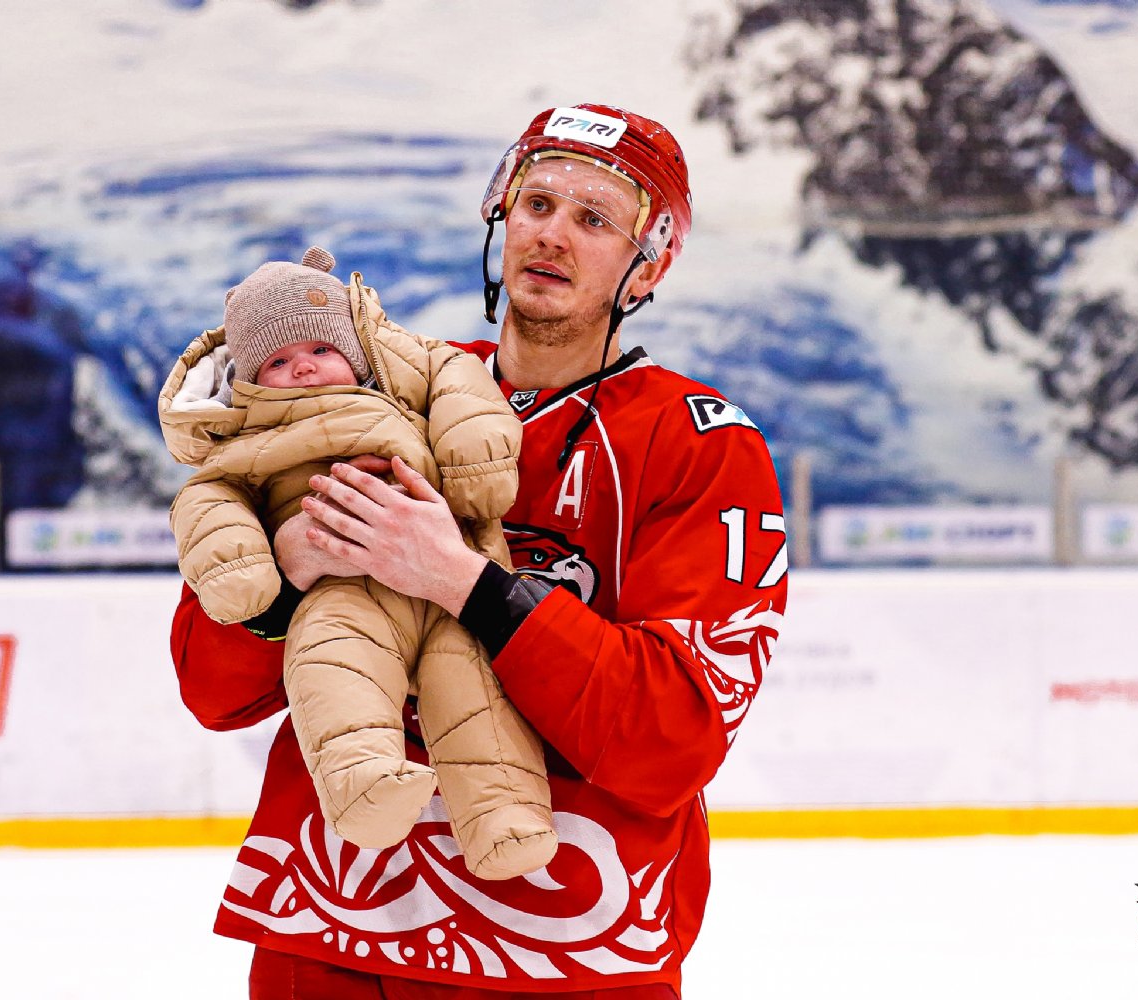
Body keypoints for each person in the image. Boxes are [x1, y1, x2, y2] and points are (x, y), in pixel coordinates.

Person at [170, 103, 788, 999]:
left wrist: (464, 582)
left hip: (561, 951)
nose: (553, 235)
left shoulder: (700, 447)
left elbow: (672, 738)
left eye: (594, 218)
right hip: (329, 938)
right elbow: (211, 688)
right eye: (536, 203)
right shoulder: (368, 391)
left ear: (648, 260)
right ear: (502, 217)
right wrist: (289, 571)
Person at [158, 247, 556, 880]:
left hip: (450, 584)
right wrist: (251, 567)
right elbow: (209, 499)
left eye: (321, 349)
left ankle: (506, 818)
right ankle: (363, 786)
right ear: (249, 381)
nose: (305, 368)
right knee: (334, 666)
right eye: (279, 362)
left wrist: (471, 459)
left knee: (475, 691)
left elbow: (463, 389)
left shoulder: (402, 382)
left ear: (356, 349)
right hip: (340, 586)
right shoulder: (246, 439)